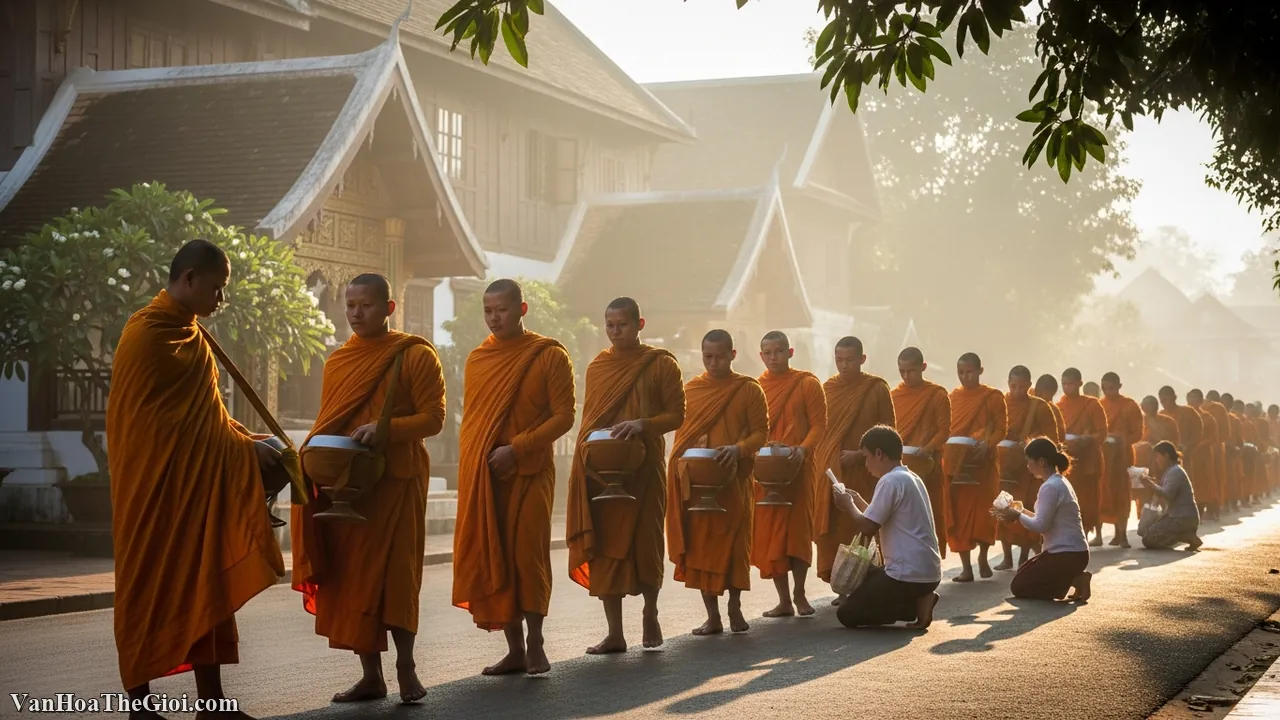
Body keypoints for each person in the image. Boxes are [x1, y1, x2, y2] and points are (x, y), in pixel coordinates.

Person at [107, 239, 284, 720]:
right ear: (188, 279)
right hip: (154, 490)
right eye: (216, 288)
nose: (220, 300)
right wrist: (241, 448)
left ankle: (212, 705)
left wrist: (249, 439)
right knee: (149, 588)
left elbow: (208, 418)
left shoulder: (191, 334)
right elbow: (158, 428)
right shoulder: (148, 334)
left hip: (194, 487)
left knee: (207, 584)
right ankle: (140, 709)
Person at [290, 274, 444, 703]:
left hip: (396, 482)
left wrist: (386, 428)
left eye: (367, 306)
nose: (357, 314)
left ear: (389, 309)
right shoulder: (339, 360)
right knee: (354, 579)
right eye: (351, 306)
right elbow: (330, 421)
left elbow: (435, 419)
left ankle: (406, 667)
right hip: (348, 487)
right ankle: (370, 675)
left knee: (398, 578)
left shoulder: (414, 355)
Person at [453, 279, 576, 676]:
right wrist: (481, 461)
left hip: (530, 472)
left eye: (501, 310)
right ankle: (514, 649)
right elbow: (474, 423)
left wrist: (517, 448)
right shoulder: (478, 359)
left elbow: (564, 417)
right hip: (490, 476)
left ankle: (536, 641)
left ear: (521, 310)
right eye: (488, 311)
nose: (494, 318)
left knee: (528, 556)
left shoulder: (548, 355)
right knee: (497, 558)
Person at [566, 297, 685, 654]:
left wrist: (643, 425)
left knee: (646, 543)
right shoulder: (598, 367)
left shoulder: (661, 364)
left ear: (640, 325)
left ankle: (650, 612)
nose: (616, 332)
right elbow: (591, 419)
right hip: (603, 470)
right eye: (610, 325)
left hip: (644, 468)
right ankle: (614, 632)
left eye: (623, 325)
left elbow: (677, 415)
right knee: (606, 550)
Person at [667, 330, 768, 636]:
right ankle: (712, 616)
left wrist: (738, 449)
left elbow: (760, 432)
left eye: (720, 356)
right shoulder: (693, 390)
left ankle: (734, 606)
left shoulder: (748, 389)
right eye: (708, 357)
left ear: (732, 355)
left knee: (736, 544)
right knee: (701, 548)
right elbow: (682, 436)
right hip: (698, 482)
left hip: (733, 481)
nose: (714, 362)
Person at [829, 425, 942, 629]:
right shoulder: (910, 477)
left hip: (907, 575)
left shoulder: (890, 481)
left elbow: (868, 527)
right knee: (867, 574)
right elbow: (879, 516)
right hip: (928, 573)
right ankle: (921, 596)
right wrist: (859, 501)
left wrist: (848, 505)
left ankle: (915, 605)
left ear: (879, 454)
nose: (866, 464)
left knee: (846, 614)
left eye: (866, 457)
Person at [753, 331, 827, 618]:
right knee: (772, 533)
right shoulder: (757, 387)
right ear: (761, 356)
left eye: (779, 351)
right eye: (768, 353)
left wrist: (802, 449)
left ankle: (800, 592)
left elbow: (819, 425)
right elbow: (753, 428)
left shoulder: (807, 383)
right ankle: (783, 599)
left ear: (790, 352)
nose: (774, 357)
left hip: (799, 467)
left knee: (797, 532)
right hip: (766, 469)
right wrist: (762, 447)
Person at [814, 337, 895, 592]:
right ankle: (841, 582)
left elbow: (889, 432)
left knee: (863, 526)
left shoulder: (876, 388)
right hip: (833, 472)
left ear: (862, 359)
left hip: (867, 472)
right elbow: (822, 432)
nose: (844, 365)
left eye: (850, 360)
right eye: (839, 360)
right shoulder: (828, 389)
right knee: (837, 530)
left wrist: (859, 454)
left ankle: (866, 585)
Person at [993, 437, 1092, 602]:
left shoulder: (1051, 487)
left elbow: (1040, 526)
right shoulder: (1058, 482)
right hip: (1074, 553)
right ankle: (1072, 577)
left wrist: (1017, 515)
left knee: (1019, 587)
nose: (1027, 466)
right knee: (1022, 574)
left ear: (1041, 461)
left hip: (1066, 555)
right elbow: (1044, 519)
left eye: (1029, 461)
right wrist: (1021, 510)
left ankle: (1074, 580)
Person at [942, 353, 1007, 582]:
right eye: (960, 372)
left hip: (983, 466)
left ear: (980, 370)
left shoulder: (992, 397)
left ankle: (983, 556)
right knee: (958, 517)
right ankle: (966, 567)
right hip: (955, 464)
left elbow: (1001, 429)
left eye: (969, 371)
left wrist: (987, 443)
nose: (965, 376)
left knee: (983, 515)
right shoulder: (953, 397)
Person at [994, 366, 1057, 571]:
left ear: (1030, 386)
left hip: (1029, 469)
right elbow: (991, 428)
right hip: (1005, 465)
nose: (1017, 390)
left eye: (1022, 386)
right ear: (1008, 383)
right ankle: (1006, 557)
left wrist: (1030, 445)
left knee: (1025, 507)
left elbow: (1051, 440)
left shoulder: (1039, 407)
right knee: (1004, 506)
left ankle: (1022, 556)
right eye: (1013, 386)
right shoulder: (1000, 403)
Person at [890, 346, 948, 559]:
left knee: (927, 515)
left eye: (911, 371)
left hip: (927, 467)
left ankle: (929, 563)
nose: (906, 376)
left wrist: (928, 449)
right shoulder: (894, 395)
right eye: (902, 371)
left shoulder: (937, 394)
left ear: (923, 367)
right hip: (898, 467)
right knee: (900, 518)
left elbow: (944, 430)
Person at [1057, 368, 1108, 546]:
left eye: (1070, 384)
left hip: (1087, 461)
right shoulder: (1059, 406)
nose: (1067, 387)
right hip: (1066, 460)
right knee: (1066, 500)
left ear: (1080, 383)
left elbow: (1102, 433)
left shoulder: (1092, 405)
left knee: (1086, 500)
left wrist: (1086, 439)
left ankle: (1084, 535)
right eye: (1064, 384)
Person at [1098, 372, 1142, 548]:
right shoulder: (1099, 405)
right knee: (1102, 492)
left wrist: (1120, 438)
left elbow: (1138, 433)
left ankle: (1122, 535)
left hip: (1122, 455)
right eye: (1105, 388)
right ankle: (1098, 535)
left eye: (1112, 388)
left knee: (1121, 493)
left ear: (1119, 386)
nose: (1108, 392)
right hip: (1103, 456)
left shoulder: (1129, 405)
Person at [1139, 441, 1203, 551]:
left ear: (1166, 456)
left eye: (1158, 457)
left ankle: (1188, 536)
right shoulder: (1172, 470)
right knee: (1146, 530)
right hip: (1182, 516)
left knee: (1148, 540)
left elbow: (1168, 495)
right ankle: (1182, 534)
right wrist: (1151, 484)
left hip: (1182, 518)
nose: (1157, 460)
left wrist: (1151, 485)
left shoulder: (1175, 471)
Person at [1136, 395, 1180, 513]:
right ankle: (1144, 513)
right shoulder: (1139, 420)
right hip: (1145, 458)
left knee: (1165, 484)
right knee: (1145, 487)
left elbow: (1175, 440)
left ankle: (1166, 509)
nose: (1150, 409)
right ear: (1142, 407)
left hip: (1165, 456)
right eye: (1147, 406)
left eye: (1153, 405)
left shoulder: (1168, 421)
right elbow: (1136, 439)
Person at [1186, 389, 1222, 520]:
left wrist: (1198, 445)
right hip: (1187, 455)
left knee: (1204, 483)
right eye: (1189, 399)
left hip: (1203, 455)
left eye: (1195, 399)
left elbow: (1213, 437)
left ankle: (1202, 510)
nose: (1192, 402)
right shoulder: (1184, 416)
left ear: (1201, 401)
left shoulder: (1208, 418)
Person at [1204, 391, 1234, 512]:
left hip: (1211, 448)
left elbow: (1225, 434)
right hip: (1212, 448)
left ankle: (1213, 506)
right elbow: (1226, 434)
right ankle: (1213, 507)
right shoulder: (1217, 410)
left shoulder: (1218, 410)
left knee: (1213, 477)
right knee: (1215, 477)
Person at [1034, 374, 1066, 443]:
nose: (1051, 399)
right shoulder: (1024, 402)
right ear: (1037, 391)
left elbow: (1060, 436)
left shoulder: (1053, 409)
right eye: (1049, 395)